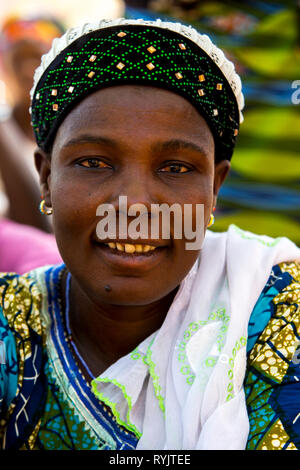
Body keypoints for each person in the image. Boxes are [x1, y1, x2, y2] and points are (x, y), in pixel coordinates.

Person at [0, 18, 299, 450]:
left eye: (175, 168)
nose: (135, 205)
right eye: (94, 162)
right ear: (46, 179)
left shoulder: (280, 315)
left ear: (214, 188)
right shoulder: (10, 328)